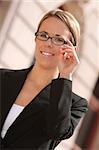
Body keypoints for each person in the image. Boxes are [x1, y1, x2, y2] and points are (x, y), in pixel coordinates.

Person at [0, 9, 88, 150]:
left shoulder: (75, 105)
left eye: (59, 39)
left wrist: (65, 75)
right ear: (36, 39)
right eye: (43, 35)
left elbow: (56, 131)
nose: (48, 43)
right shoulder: (3, 78)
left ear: (71, 50)